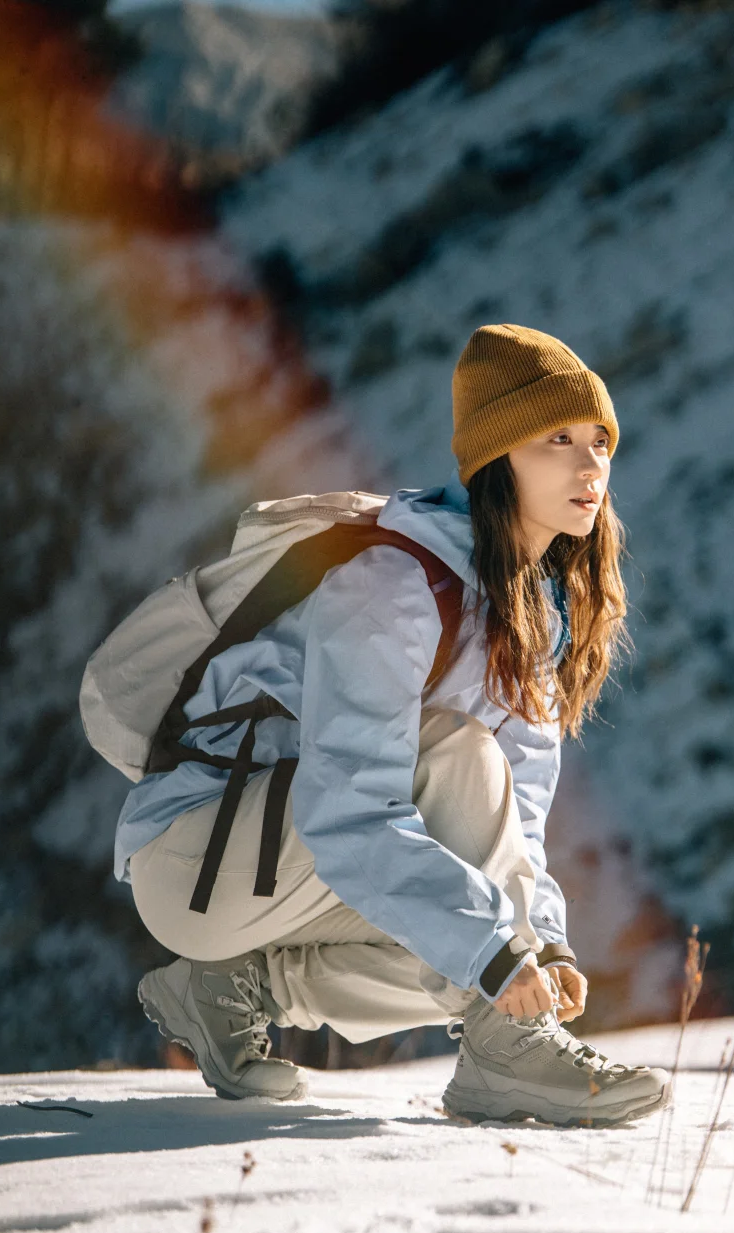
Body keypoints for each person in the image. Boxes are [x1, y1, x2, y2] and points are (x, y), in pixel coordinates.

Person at [118, 324, 671, 1126]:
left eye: (600, 442)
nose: (591, 466)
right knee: (460, 776)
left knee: (469, 920)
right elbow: (351, 812)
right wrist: (494, 959)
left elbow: (513, 827)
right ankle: (504, 1055)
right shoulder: (392, 586)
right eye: (558, 439)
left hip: (278, 869)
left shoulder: (529, 620)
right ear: (499, 455)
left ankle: (227, 985)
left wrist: (541, 942)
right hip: (193, 856)